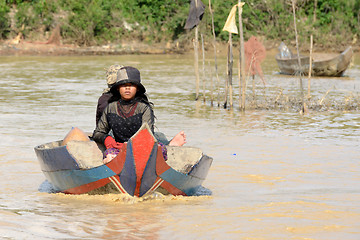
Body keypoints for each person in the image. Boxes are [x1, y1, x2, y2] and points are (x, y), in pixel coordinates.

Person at [93, 66, 186, 162]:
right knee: (109, 156)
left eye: (131, 85)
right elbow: (98, 132)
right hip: (118, 148)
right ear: (118, 88)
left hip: (141, 148)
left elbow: (148, 135)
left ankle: (168, 147)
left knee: (159, 149)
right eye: (124, 85)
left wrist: (129, 147)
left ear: (137, 89)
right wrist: (108, 140)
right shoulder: (110, 108)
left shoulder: (144, 108)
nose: (127, 88)